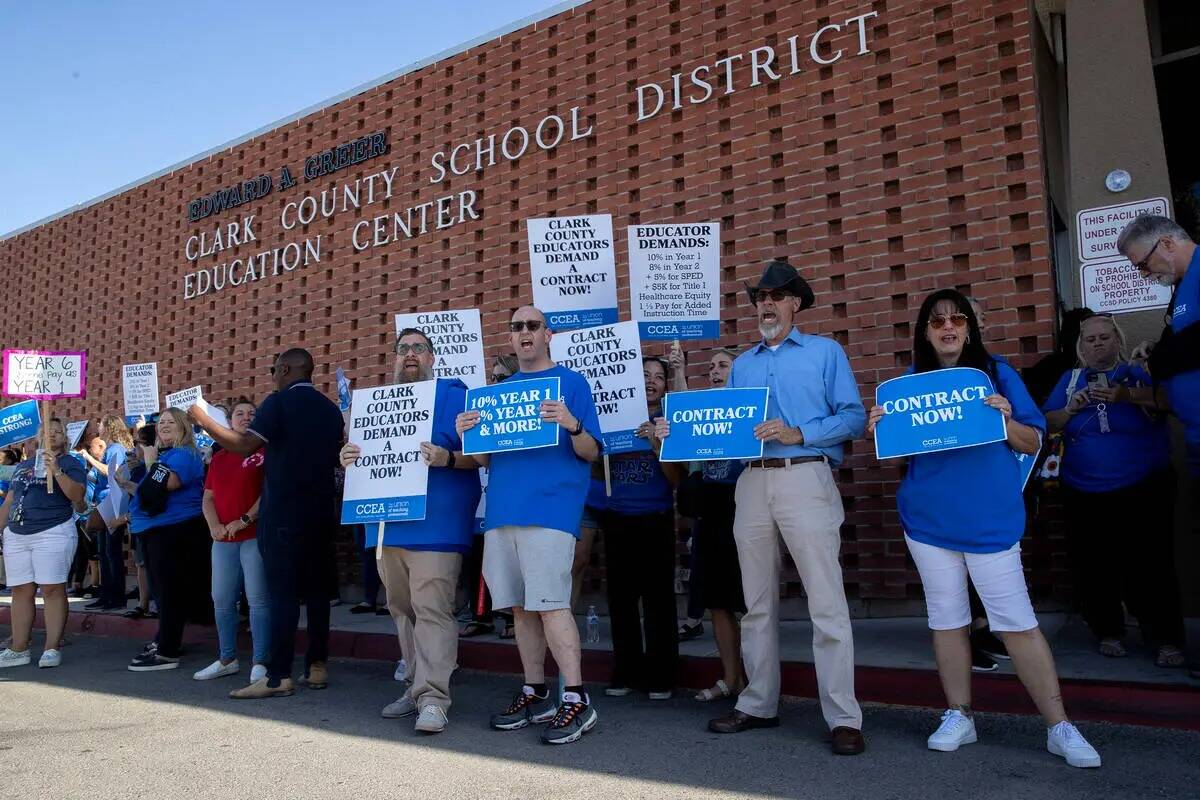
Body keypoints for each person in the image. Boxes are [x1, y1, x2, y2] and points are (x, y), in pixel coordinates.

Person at [866, 288, 1101, 768]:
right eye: (937, 322)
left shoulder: (998, 375)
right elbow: (906, 451)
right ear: (925, 332)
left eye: (957, 319)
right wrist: (881, 428)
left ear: (970, 327)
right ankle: (959, 715)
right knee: (947, 620)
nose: (947, 327)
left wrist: (1006, 417)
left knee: (1016, 622)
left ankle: (1059, 725)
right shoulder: (909, 383)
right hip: (928, 521)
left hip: (990, 520)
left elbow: (1033, 438)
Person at [661, 258, 868, 755]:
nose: (767, 304)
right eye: (760, 297)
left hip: (806, 474)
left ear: (796, 302)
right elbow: (725, 433)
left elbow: (855, 417)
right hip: (751, 483)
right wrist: (677, 434)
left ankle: (844, 716)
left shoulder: (825, 352)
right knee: (754, 602)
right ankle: (758, 702)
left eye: (776, 295)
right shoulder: (745, 364)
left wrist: (801, 432)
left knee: (826, 603)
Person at [454, 305, 603, 745]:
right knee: (520, 606)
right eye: (516, 326)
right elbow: (482, 459)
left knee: (551, 603)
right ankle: (534, 690)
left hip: (550, 511)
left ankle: (576, 698)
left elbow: (592, 452)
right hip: (502, 512)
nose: (524, 332)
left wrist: (571, 423)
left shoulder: (571, 384)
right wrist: (468, 433)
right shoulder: (499, 391)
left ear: (547, 335)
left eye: (533, 326)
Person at [339, 327, 482, 734]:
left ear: (434, 357)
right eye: (403, 349)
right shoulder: (375, 406)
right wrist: (348, 454)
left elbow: (483, 458)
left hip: (437, 525)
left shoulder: (457, 396)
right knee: (402, 611)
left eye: (419, 348)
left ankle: (435, 698)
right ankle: (415, 687)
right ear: (395, 358)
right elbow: (362, 462)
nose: (411, 354)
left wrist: (448, 457)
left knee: (432, 610)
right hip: (386, 525)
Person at [190, 348, 344, 699]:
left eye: (275, 369)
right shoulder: (331, 410)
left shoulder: (277, 403)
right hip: (321, 512)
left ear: (286, 368)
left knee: (283, 595)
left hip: (283, 514)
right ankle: (317, 665)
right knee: (318, 593)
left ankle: (277, 677)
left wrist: (205, 421)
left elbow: (244, 445)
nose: (273, 376)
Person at [1043, 314, 1185, 667]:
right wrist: (1069, 408)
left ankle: (1165, 638)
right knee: (1095, 565)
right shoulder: (1070, 379)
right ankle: (1108, 631)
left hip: (1142, 486)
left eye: (1105, 337)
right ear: (1080, 345)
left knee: (1151, 564)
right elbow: (1046, 423)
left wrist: (1125, 395)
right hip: (1084, 489)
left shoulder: (1135, 372)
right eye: (1090, 340)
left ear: (1118, 341)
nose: (1098, 344)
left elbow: (1168, 402)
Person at [598, 357, 683, 700]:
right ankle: (626, 671)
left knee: (659, 598)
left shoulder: (669, 419)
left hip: (656, 517)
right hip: (617, 517)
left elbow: (677, 480)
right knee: (620, 598)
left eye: (658, 377)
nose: (651, 381)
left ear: (665, 385)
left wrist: (656, 444)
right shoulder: (614, 414)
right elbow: (594, 470)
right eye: (644, 375)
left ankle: (662, 675)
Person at [121, 407, 211, 671]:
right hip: (156, 530)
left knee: (170, 591)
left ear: (184, 426)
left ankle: (168, 652)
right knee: (163, 590)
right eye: (161, 422)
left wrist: (151, 464)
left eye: (171, 421)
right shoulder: (167, 455)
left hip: (174, 530)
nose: (164, 426)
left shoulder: (184, 454)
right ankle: (166, 639)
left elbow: (165, 484)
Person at [685, 348, 748, 702]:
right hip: (710, 508)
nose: (714, 371)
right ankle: (730, 678)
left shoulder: (750, 408)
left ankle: (757, 680)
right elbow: (691, 464)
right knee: (717, 602)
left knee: (748, 600)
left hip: (743, 506)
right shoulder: (699, 411)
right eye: (710, 366)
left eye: (723, 365)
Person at [194, 397, 271, 684]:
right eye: (240, 414)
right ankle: (227, 658)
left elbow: (268, 493)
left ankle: (261, 661)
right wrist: (214, 524)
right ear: (229, 421)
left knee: (258, 600)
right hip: (223, 539)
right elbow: (208, 497)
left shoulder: (264, 452)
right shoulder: (220, 457)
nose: (246, 417)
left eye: (252, 413)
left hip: (252, 536)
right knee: (223, 600)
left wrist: (245, 519)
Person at [0, 422, 87, 668]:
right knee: (20, 591)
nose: (53, 434)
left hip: (52, 530)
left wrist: (56, 470)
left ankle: (51, 647)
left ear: (65, 439)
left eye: (59, 431)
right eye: (48, 431)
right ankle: (19, 648)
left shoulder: (71, 463)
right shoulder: (24, 466)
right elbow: (9, 501)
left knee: (52, 589)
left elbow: (77, 496)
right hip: (18, 532)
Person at [460, 353, 518, 639]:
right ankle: (479, 614)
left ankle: (511, 616)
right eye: (493, 377)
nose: (495, 382)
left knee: (509, 559)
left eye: (502, 377)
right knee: (478, 555)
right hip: (483, 490)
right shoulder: (482, 411)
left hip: (514, 494)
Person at [85, 415, 134, 611]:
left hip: (113, 503)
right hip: (104, 504)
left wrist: (89, 458)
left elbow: (112, 472)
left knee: (111, 552)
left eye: (101, 425)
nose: (99, 428)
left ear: (109, 427)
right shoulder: (109, 448)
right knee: (104, 552)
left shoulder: (117, 449)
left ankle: (116, 596)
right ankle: (106, 594)